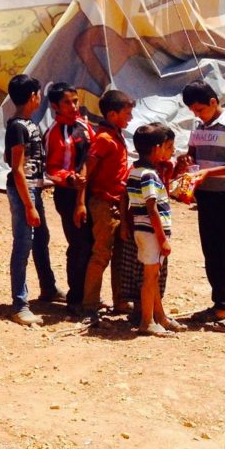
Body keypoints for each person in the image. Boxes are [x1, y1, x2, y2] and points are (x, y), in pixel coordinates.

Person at [177, 81, 225, 332]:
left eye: (200, 109)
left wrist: (208, 173)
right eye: (193, 111)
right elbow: (193, 155)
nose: (197, 115)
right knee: (211, 253)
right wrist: (187, 162)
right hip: (205, 196)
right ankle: (220, 306)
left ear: (213, 102)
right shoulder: (198, 126)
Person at [75, 89, 134, 321]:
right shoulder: (104, 139)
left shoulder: (116, 135)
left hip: (117, 202)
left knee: (119, 254)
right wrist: (80, 203)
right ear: (112, 114)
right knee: (101, 254)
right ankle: (89, 304)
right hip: (103, 203)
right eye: (127, 113)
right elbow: (86, 172)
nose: (130, 118)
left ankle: (120, 300)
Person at [3, 75, 55, 325]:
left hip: (34, 190)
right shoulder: (18, 127)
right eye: (38, 93)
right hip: (25, 192)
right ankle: (19, 304)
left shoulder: (26, 124)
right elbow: (17, 169)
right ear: (32, 96)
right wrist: (29, 205)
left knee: (41, 240)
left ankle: (48, 287)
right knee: (23, 245)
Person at [129, 123, 184, 337]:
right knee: (150, 278)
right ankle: (147, 321)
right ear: (157, 148)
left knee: (154, 274)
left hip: (143, 231)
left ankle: (159, 316)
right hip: (151, 233)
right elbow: (151, 207)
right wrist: (162, 239)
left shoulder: (135, 171)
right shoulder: (149, 175)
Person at [43, 82, 92, 318]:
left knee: (92, 244)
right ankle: (75, 299)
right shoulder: (53, 133)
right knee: (79, 245)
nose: (73, 106)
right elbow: (51, 168)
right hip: (68, 195)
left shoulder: (84, 126)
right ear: (55, 106)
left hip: (88, 192)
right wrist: (70, 178)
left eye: (75, 101)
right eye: (67, 103)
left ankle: (89, 295)